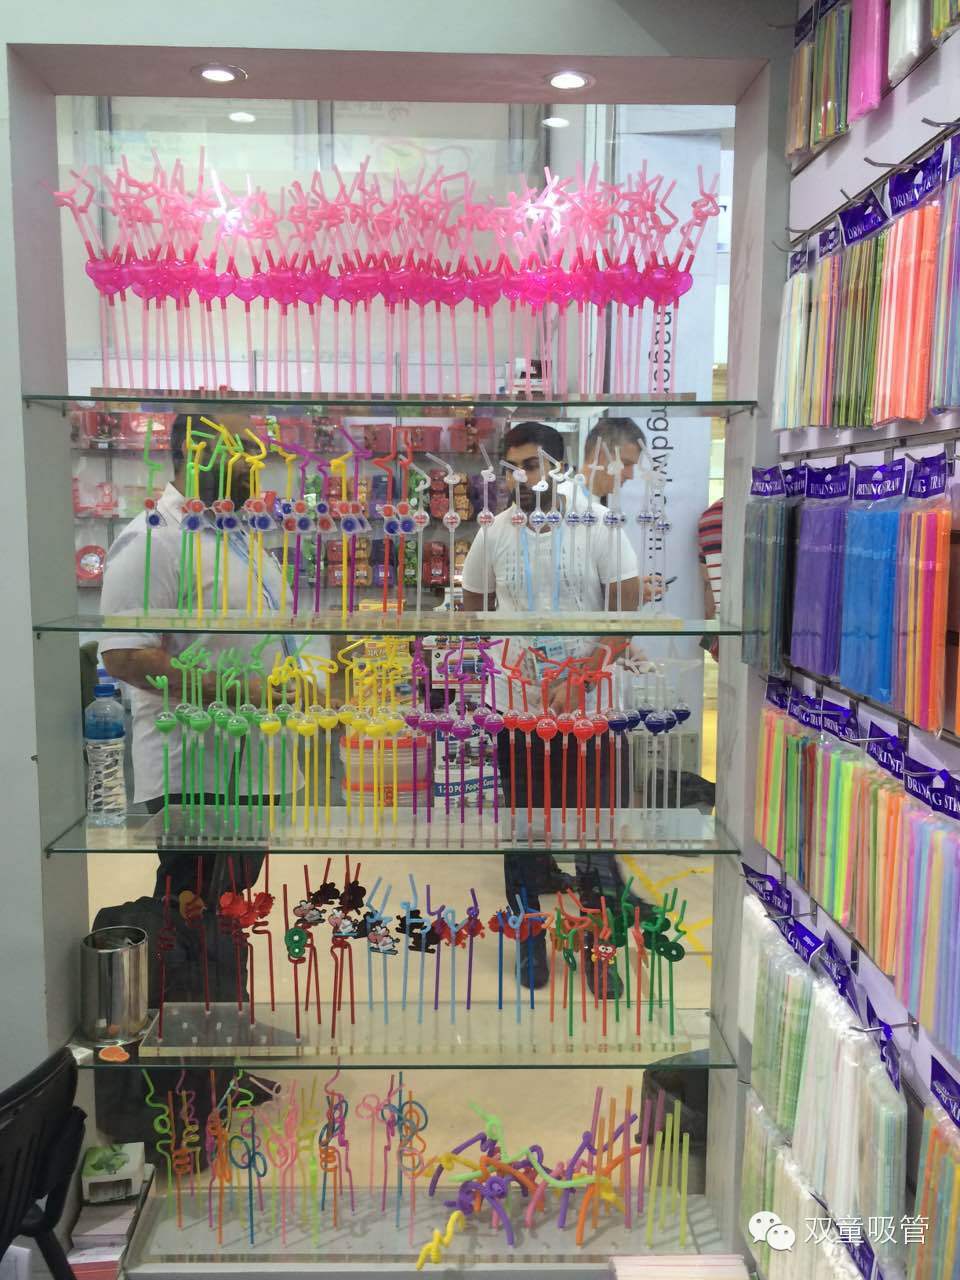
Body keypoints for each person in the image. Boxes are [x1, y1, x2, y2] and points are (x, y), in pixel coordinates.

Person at [460, 421, 643, 994]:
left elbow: (626, 617)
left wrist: (583, 675)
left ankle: (599, 949)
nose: (521, 478)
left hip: (589, 712)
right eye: (512, 468)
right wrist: (511, 659)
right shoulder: (493, 533)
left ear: (559, 468)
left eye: (532, 466)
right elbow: (473, 607)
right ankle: (529, 942)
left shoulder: (600, 526)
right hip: (518, 711)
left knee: (594, 835)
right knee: (522, 834)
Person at [99, 415, 297, 906]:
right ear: (194, 452)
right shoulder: (154, 539)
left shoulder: (237, 534)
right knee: (192, 909)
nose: (253, 462)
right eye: (240, 448)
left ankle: (223, 961)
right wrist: (235, 690)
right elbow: (124, 655)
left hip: (254, 760)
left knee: (230, 906)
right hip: (196, 770)